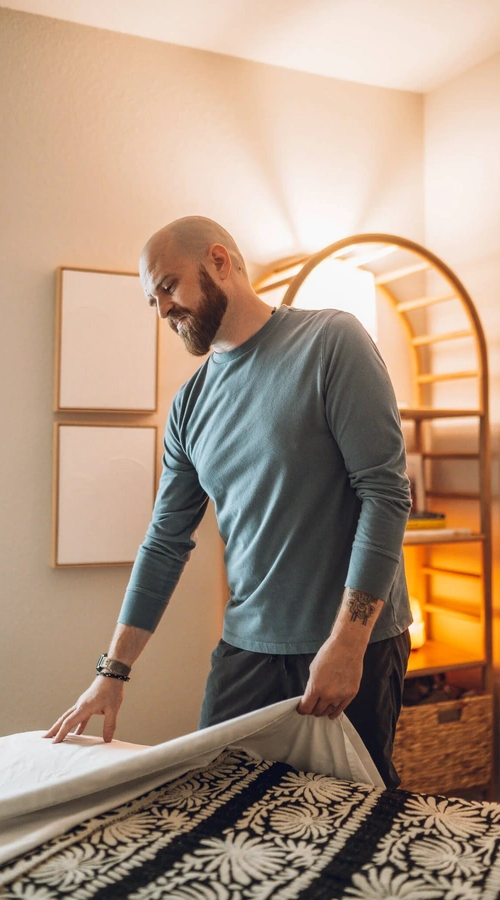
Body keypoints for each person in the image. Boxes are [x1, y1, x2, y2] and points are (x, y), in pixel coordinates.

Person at [45, 216, 413, 787]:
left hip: (351, 645)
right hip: (247, 651)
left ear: (220, 261)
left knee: (350, 822)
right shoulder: (189, 408)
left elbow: (386, 493)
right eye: (153, 299)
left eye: (168, 286)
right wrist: (112, 671)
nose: (162, 309)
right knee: (213, 806)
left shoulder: (331, 341)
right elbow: (165, 541)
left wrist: (348, 642)